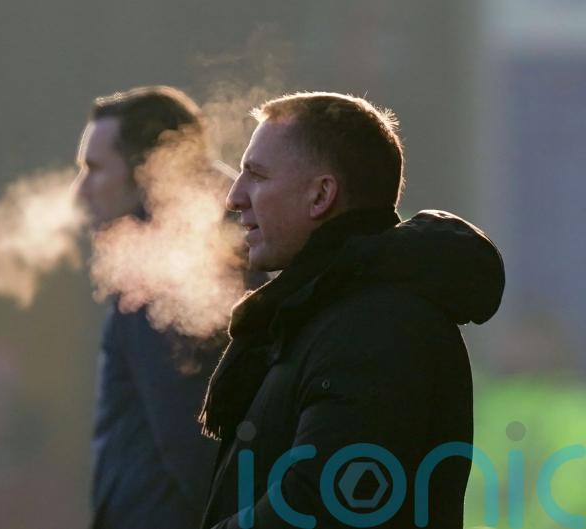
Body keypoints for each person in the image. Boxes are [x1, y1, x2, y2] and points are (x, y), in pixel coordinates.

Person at [198, 92, 505, 528]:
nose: (235, 197)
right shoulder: (328, 311)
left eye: (258, 176)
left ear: (321, 195)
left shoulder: (377, 327)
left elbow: (318, 505)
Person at [72, 86, 225, 529]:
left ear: (146, 170)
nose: (80, 192)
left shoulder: (162, 275)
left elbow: (195, 448)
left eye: (94, 170)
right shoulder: (195, 255)